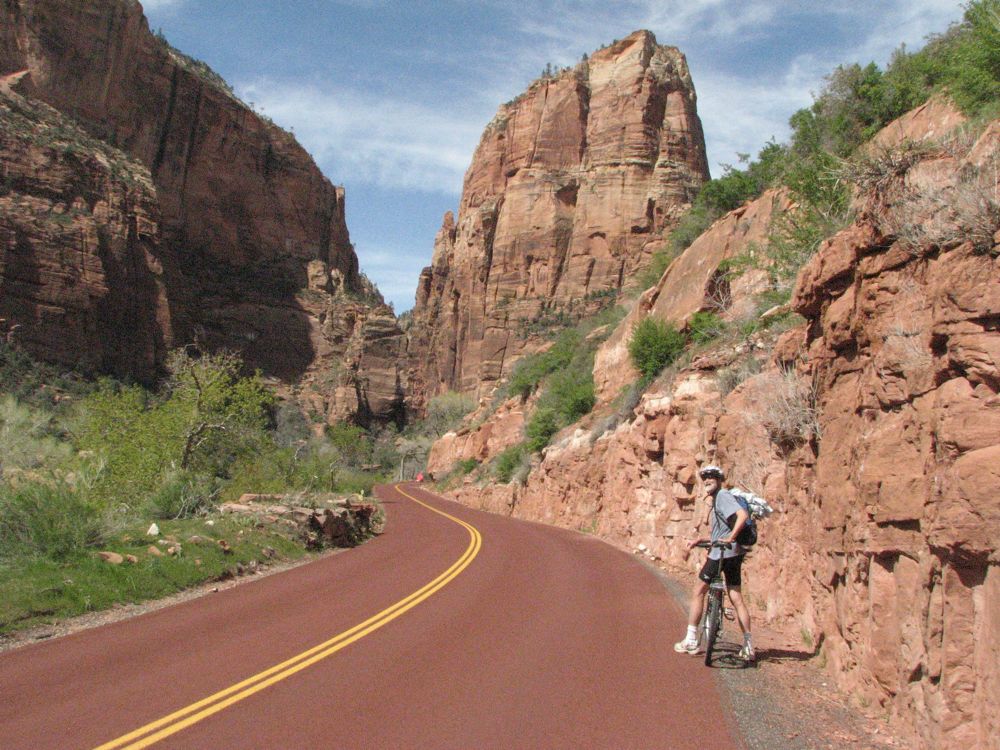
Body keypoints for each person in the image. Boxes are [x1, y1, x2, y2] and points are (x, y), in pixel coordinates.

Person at [674, 464, 755, 662]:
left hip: (721, 553)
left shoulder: (723, 496)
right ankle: (748, 645)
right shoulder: (718, 498)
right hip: (733, 554)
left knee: (699, 591)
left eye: (712, 477)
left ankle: (691, 639)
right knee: (735, 596)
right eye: (705, 478)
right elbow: (721, 532)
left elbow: (742, 516)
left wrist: (730, 538)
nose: (707, 480)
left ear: (719, 480)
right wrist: (700, 540)